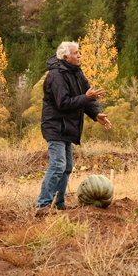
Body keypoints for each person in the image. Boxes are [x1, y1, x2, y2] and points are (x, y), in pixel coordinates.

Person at [37, 41, 112, 213]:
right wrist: (87, 97)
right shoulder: (55, 76)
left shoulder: (76, 72)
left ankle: (58, 204)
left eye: (79, 52)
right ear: (65, 57)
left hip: (67, 128)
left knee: (66, 167)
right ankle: (43, 205)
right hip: (56, 127)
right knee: (57, 165)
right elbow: (63, 103)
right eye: (76, 53)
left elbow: (87, 97)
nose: (79, 56)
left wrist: (96, 114)